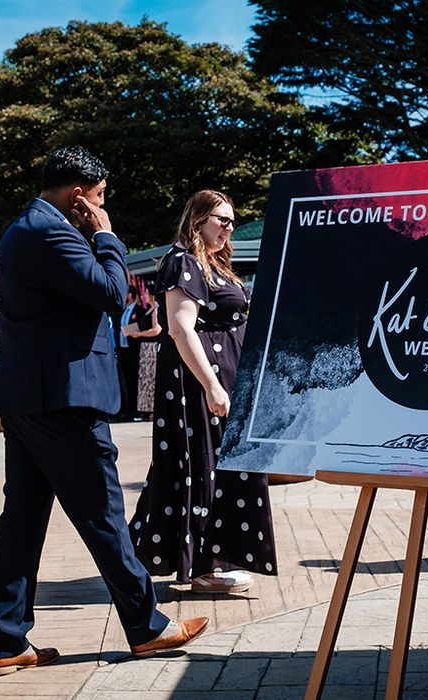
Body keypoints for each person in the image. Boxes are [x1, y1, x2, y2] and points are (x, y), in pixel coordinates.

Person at [0, 146, 208, 676]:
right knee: (102, 514)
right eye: (101, 195)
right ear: (80, 196)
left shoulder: (23, 229)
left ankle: (8, 640)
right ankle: (146, 626)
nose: (104, 205)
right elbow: (111, 291)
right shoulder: (52, 231)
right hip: (63, 400)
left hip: (29, 398)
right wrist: (106, 234)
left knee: (22, 518)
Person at [129, 190, 277, 593]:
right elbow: (179, 327)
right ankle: (204, 565)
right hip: (201, 381)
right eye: (221, 219)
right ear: (197, 220)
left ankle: (170, 556)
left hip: (223, 377)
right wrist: (211, 384)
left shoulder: (208, 263)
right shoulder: (183, 262)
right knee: (201, 466)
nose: (229, 227)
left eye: (232, 220)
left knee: (205, 467)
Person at [128, 284, 161, 418]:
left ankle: (153, 410)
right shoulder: (149, 310)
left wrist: (140, 334)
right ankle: (147, 410)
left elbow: (156, 330)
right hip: (145, 348)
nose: (145, 296)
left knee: (151, 379)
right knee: (145, 380)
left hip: (151, 347)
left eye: (147, 293)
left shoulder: (156, 310)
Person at [115, 285, 145, 420]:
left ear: (131, 295)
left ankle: (136, 410)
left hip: (135, 351)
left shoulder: (140, 311)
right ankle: (128, 409)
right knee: (126, 382)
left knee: (135, 382)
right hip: (123, 351)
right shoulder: (123, 311)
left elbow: (142, 327)